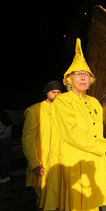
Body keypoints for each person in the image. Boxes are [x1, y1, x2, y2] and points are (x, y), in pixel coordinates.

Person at [41, 38, 106, 211]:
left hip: (93, 164)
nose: (82, 77)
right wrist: (105, 146)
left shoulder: (95, 102)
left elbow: (101, 129)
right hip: (74, 164)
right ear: (69, 79)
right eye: (78, 74)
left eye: (86, 74)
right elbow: (73, 134)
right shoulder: (62, 102)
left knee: (94, 204)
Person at [22, 80, 63, 208]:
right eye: (53, 92)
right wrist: (34, 162)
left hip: (61, 161)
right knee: (44, 201)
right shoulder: (34, 110)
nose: (56, 95)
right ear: (46, 93)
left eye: (59, 92)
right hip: (43, 162)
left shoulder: (64, 110)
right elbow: (27, 139)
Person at [0, 108, 12, 184]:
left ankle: (4, 176)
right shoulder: (7, 119)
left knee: (2, 160)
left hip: (1, 141)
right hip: (7, 140)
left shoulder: (1, 120)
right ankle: (6, 176)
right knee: (5, 159)